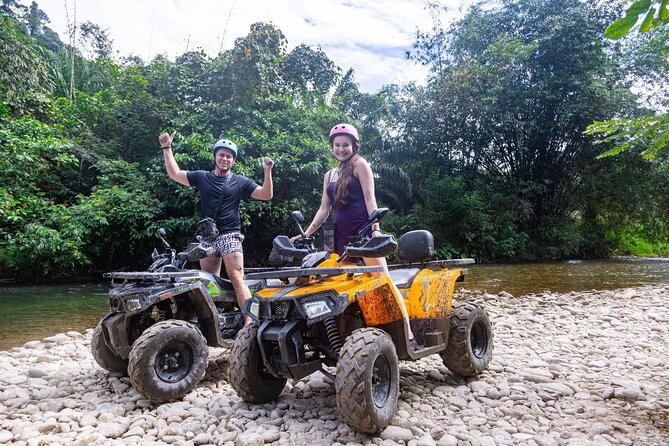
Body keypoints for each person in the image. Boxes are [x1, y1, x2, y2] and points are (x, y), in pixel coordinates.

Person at [289, 123, 416, 347]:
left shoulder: (360, 165)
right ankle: (348, 335)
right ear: (332, 147)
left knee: (382, 280)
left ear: (354, 145)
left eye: (345, 145)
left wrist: (375, 229)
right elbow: (323, 209)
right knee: (341, 284)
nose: (341, 149)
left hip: (363, 233)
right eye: (337, 145)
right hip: (339, 238)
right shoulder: (329, 175)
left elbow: (370, 199)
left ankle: (407, 332)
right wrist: (307, 233)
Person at [159, 132, 274, 324]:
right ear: (215, 156)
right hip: (208, 237)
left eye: (229, 156)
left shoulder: (240, 181)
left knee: (237, 277)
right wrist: (167, 148)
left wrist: (267, 172)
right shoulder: (203, 177)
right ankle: (215, 323)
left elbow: (265, 194)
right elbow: (174, 174)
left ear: (233, 161)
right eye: (221, 154)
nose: (225, 159)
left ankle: (249, 322)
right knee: (209, 282)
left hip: (230, 234)